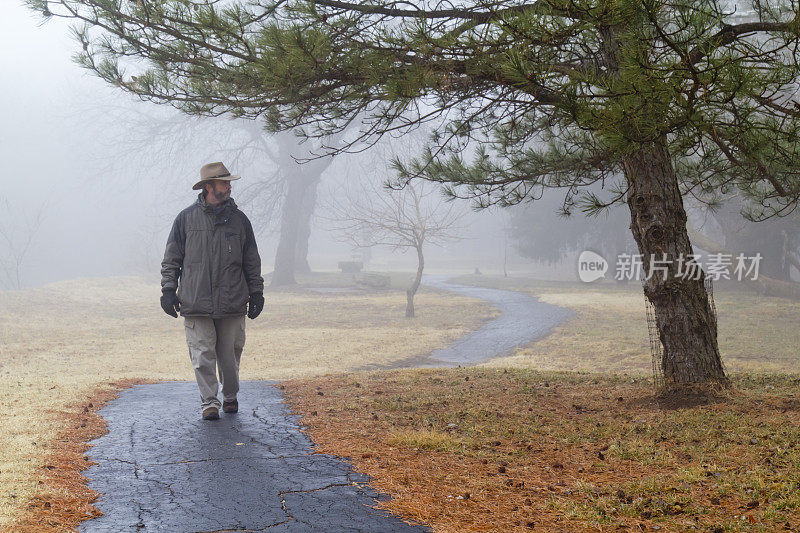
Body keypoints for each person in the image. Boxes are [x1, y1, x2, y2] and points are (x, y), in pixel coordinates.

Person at [160, 161, 264, 420]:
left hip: (232, 301)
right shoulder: (185, 219)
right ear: (209, 186)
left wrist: (257, 292)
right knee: (202, 355)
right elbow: (172, 258)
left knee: (230, 356)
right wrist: (168, 290)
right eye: (224, 182)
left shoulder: (240, 221)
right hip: (196, 301)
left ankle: (230, 396)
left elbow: (252, 260)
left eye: (229, 182)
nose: (229, 186)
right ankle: (209, 402)